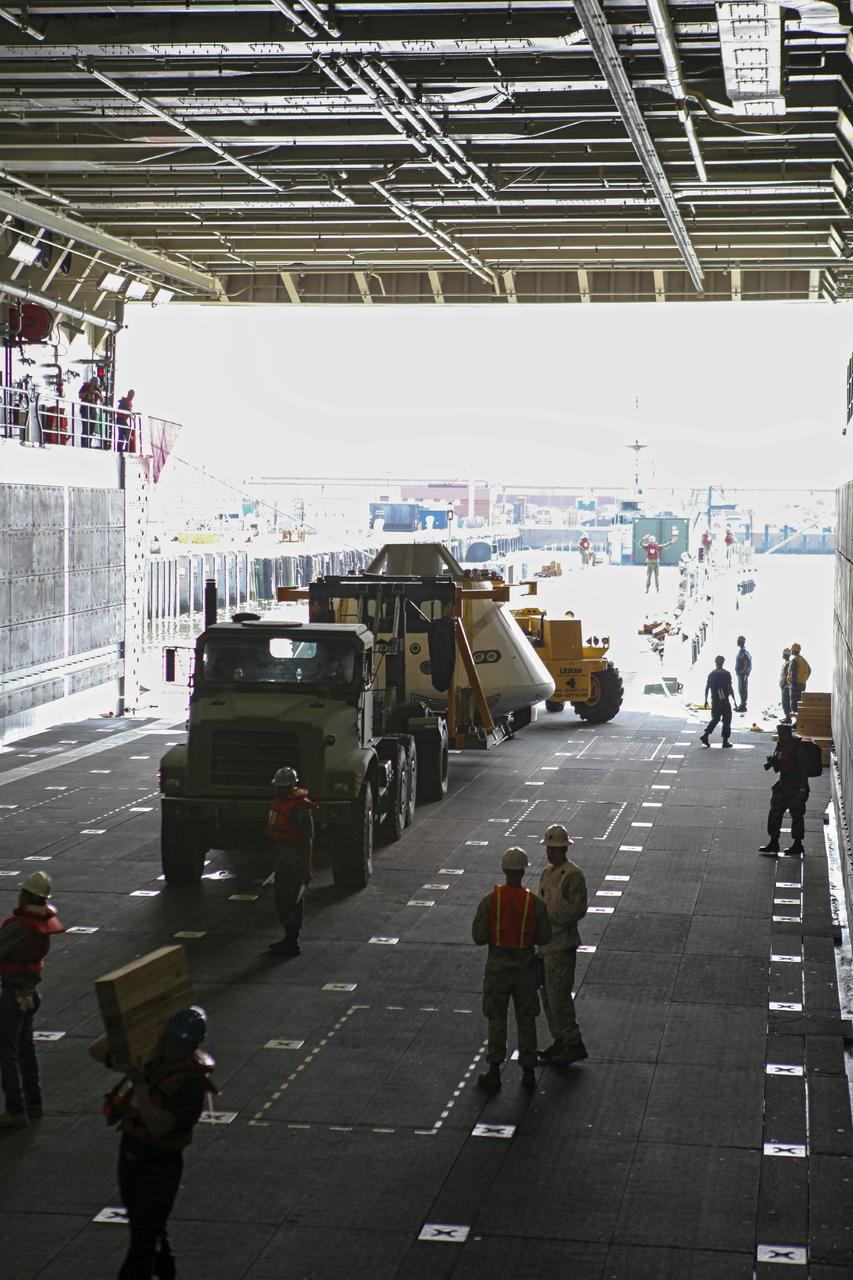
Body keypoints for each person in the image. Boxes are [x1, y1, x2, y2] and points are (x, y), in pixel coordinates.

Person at [90, 1006, 215, 1280]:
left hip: (160, 1163)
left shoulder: (190, 1085)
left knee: (142, 1240)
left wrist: (142, 1087)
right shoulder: (152, 1059)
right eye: (170, 1039)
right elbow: (98, 1051)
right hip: (131, 1152)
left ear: (193, 1045)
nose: (172, 1047)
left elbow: (160, 1127)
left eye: (180, 1043)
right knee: (142, 1222)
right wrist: (130, 1025)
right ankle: (165, 1266)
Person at [471, 847, 551, 1093]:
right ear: (523, 870)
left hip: (497, 967)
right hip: (524, 967)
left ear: (505, 871)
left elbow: (478, 936)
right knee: (526, 1018)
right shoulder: (534, 903)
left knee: (496, 1017)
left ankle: (494, 1070)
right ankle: (528, 1071)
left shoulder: (490, 901)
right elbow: (545, 936)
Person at [0, 871, 63, 1128]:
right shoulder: (42, 923)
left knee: (7, 1051)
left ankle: (15, 1109)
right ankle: (33, 1103)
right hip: (31, 993)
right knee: (26, 1049)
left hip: (13, 993)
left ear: (26, 895)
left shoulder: (19, 927)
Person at [537, 825, 588, 1067]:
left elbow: (578, 909)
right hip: (546, 944)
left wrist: (550, 915)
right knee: (547, 997)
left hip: (562, 944)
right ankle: (560, 1038)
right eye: (549, 849)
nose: (550, 853)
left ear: (564, 849)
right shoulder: (547, 873)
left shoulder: (572, 875)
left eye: (555, 849)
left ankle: (572, 1041)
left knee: (559, 996)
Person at [265, 766, 315, 956]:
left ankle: (292, 941)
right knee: (282, 900)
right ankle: (287, 938)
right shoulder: (281, 804)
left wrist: (306, 868)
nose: (276, 790)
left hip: (294, 863)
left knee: (293, 901)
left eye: (280, 787)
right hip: (282, 862)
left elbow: (307, 840)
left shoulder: (300, 810)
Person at [759, 723, 810, 857]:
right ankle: (774, 841)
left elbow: (804, 770)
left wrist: (803, 788)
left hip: (796, 784)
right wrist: (773, 762)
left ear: (788, 734)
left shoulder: (798, 748)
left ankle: (798, 844)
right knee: (775, 811)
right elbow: (778, 766)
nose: (780, 737)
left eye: (782, 734)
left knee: (797, 814)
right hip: (784, 782)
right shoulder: (781, 745)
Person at [699, 655, 735, 748]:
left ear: (716, 662)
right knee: (727, 718)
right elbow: (729, 687)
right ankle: (725, 741)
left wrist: (705, 700)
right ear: (723, 663)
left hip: (715, 699)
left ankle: (705, 735)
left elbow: (707, 687)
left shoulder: (711, 674)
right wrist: (734, 699)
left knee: (716, 718)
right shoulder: (726, 674)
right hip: (724, 700)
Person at [787, 642, 811, 717]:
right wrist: (804, 680)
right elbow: (809, 670)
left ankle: (797, 723)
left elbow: (792, 673)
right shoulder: (803, 660)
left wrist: (791, 682)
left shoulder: (794, 660)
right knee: (800, 704)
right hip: (802, 684)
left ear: (793, 650)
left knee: (794, 704)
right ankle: (799, 721)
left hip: (795, 685)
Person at [79, 377, 102, 448]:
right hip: (85, 409)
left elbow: (102, 399)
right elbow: (80, 395)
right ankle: (83, 445)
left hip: (93, 410)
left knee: (91, 429)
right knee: (85, 428)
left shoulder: (97, 389)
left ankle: (89, 444)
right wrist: (88, 392)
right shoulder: (85, 387)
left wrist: (97, 393)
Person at [734, 635, 752, 713]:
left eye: (738, 641)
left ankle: (743, 705)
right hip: (741, 674)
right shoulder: (742, 651)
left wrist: (744, 672)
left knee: (743, 689)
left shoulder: (743, 652)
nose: (737, 642)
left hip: (742, 674)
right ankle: (742, 704)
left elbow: (748, 663)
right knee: (741, 689)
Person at [779, 646, 793, 723]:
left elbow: (787, 675)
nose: (782, 655)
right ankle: (787, 717)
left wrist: (784, 683)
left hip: (786, 686)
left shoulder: (788, 663)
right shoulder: (786, 663)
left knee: (786, 702)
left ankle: (788, 718)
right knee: (785, 702)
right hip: (784, 686)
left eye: (783, 654)